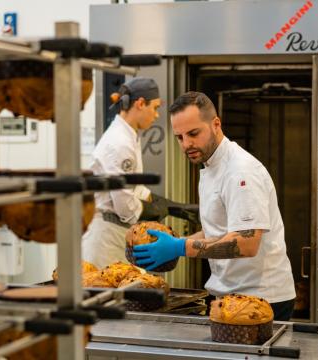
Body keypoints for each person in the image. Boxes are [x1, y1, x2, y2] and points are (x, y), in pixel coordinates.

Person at [133, 91, 296, 320]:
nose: (187, 144)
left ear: (216, 124)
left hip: (261, 299)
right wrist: (176, 242)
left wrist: (181, 247)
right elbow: (219, 231)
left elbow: (247, 243)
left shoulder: (241, 171)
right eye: (179, 137)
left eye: (193, 133)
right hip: (227, 295)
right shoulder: (211, 166)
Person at [82, 77, 167, 269]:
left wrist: (171, 205)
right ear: (139, 104)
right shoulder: (119, 142)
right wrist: (151, 211)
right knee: (108, 293)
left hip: (116, 231)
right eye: (155, 107)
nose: (156, 115)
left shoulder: (128, 136)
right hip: (107, 237)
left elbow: (133, 187)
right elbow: (125, 206)